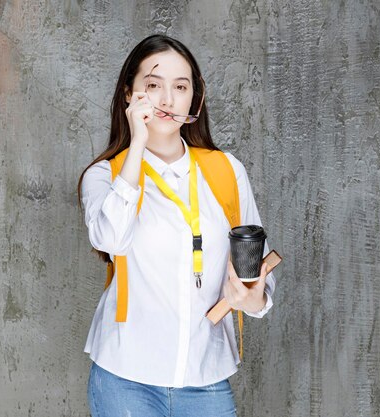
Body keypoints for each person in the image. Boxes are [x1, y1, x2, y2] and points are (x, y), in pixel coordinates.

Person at [77, 34, 276, 417]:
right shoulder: (105, 176)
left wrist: (255, 298)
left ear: (194, 98)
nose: (167, 100)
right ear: (129, 95)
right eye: (153, 86)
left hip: (206, 379)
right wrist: (136, 145)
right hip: (126, 378)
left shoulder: (226, 171)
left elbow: (258, 269)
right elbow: (113, 238)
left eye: (180, 87)